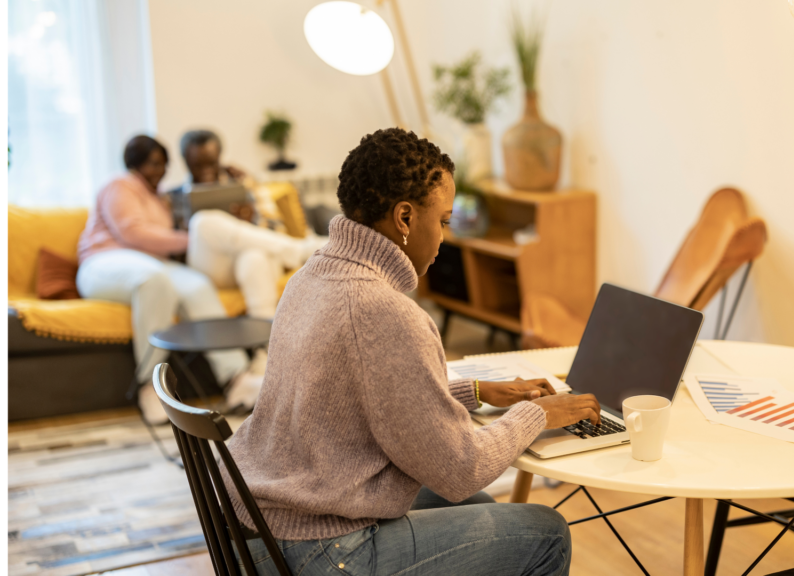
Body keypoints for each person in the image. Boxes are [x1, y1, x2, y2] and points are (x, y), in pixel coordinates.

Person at [222, 128, 602, 576]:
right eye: (442, 221)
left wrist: (476, 391)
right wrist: (541, 414)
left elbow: (361, 395)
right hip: (319, 549)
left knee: (474, 504)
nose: (443, 238)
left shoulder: (310, 278)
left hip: (258, 523)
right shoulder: (383, 311)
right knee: (547, 533)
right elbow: (461, 468)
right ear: (405, 218)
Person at [76, 135, 254, 423]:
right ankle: (151, 387)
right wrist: (190, 240)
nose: (160, 171)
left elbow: (193, 202)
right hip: (104, 262)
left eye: (164, 164)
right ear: (134, 164)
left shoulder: (160, 198)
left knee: (198, 285)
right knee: (153, 280)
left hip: (154, 264)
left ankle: (237, 379)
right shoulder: (119, 186)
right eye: (153, 164)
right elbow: (132, 234)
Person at [172, 129, 327, 322]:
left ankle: (266, 345)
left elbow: (275, 227)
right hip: (212, 266)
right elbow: (170, 249)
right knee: (203, 221)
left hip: (246, 258)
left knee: (254, 258)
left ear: (220, 156)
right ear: (184, 160)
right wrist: (191, 233)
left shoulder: (243, 184)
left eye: (212, 163)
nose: (206, 170)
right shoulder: (174, 197)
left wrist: (251, 219)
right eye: (197, 165)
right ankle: (299, 249)